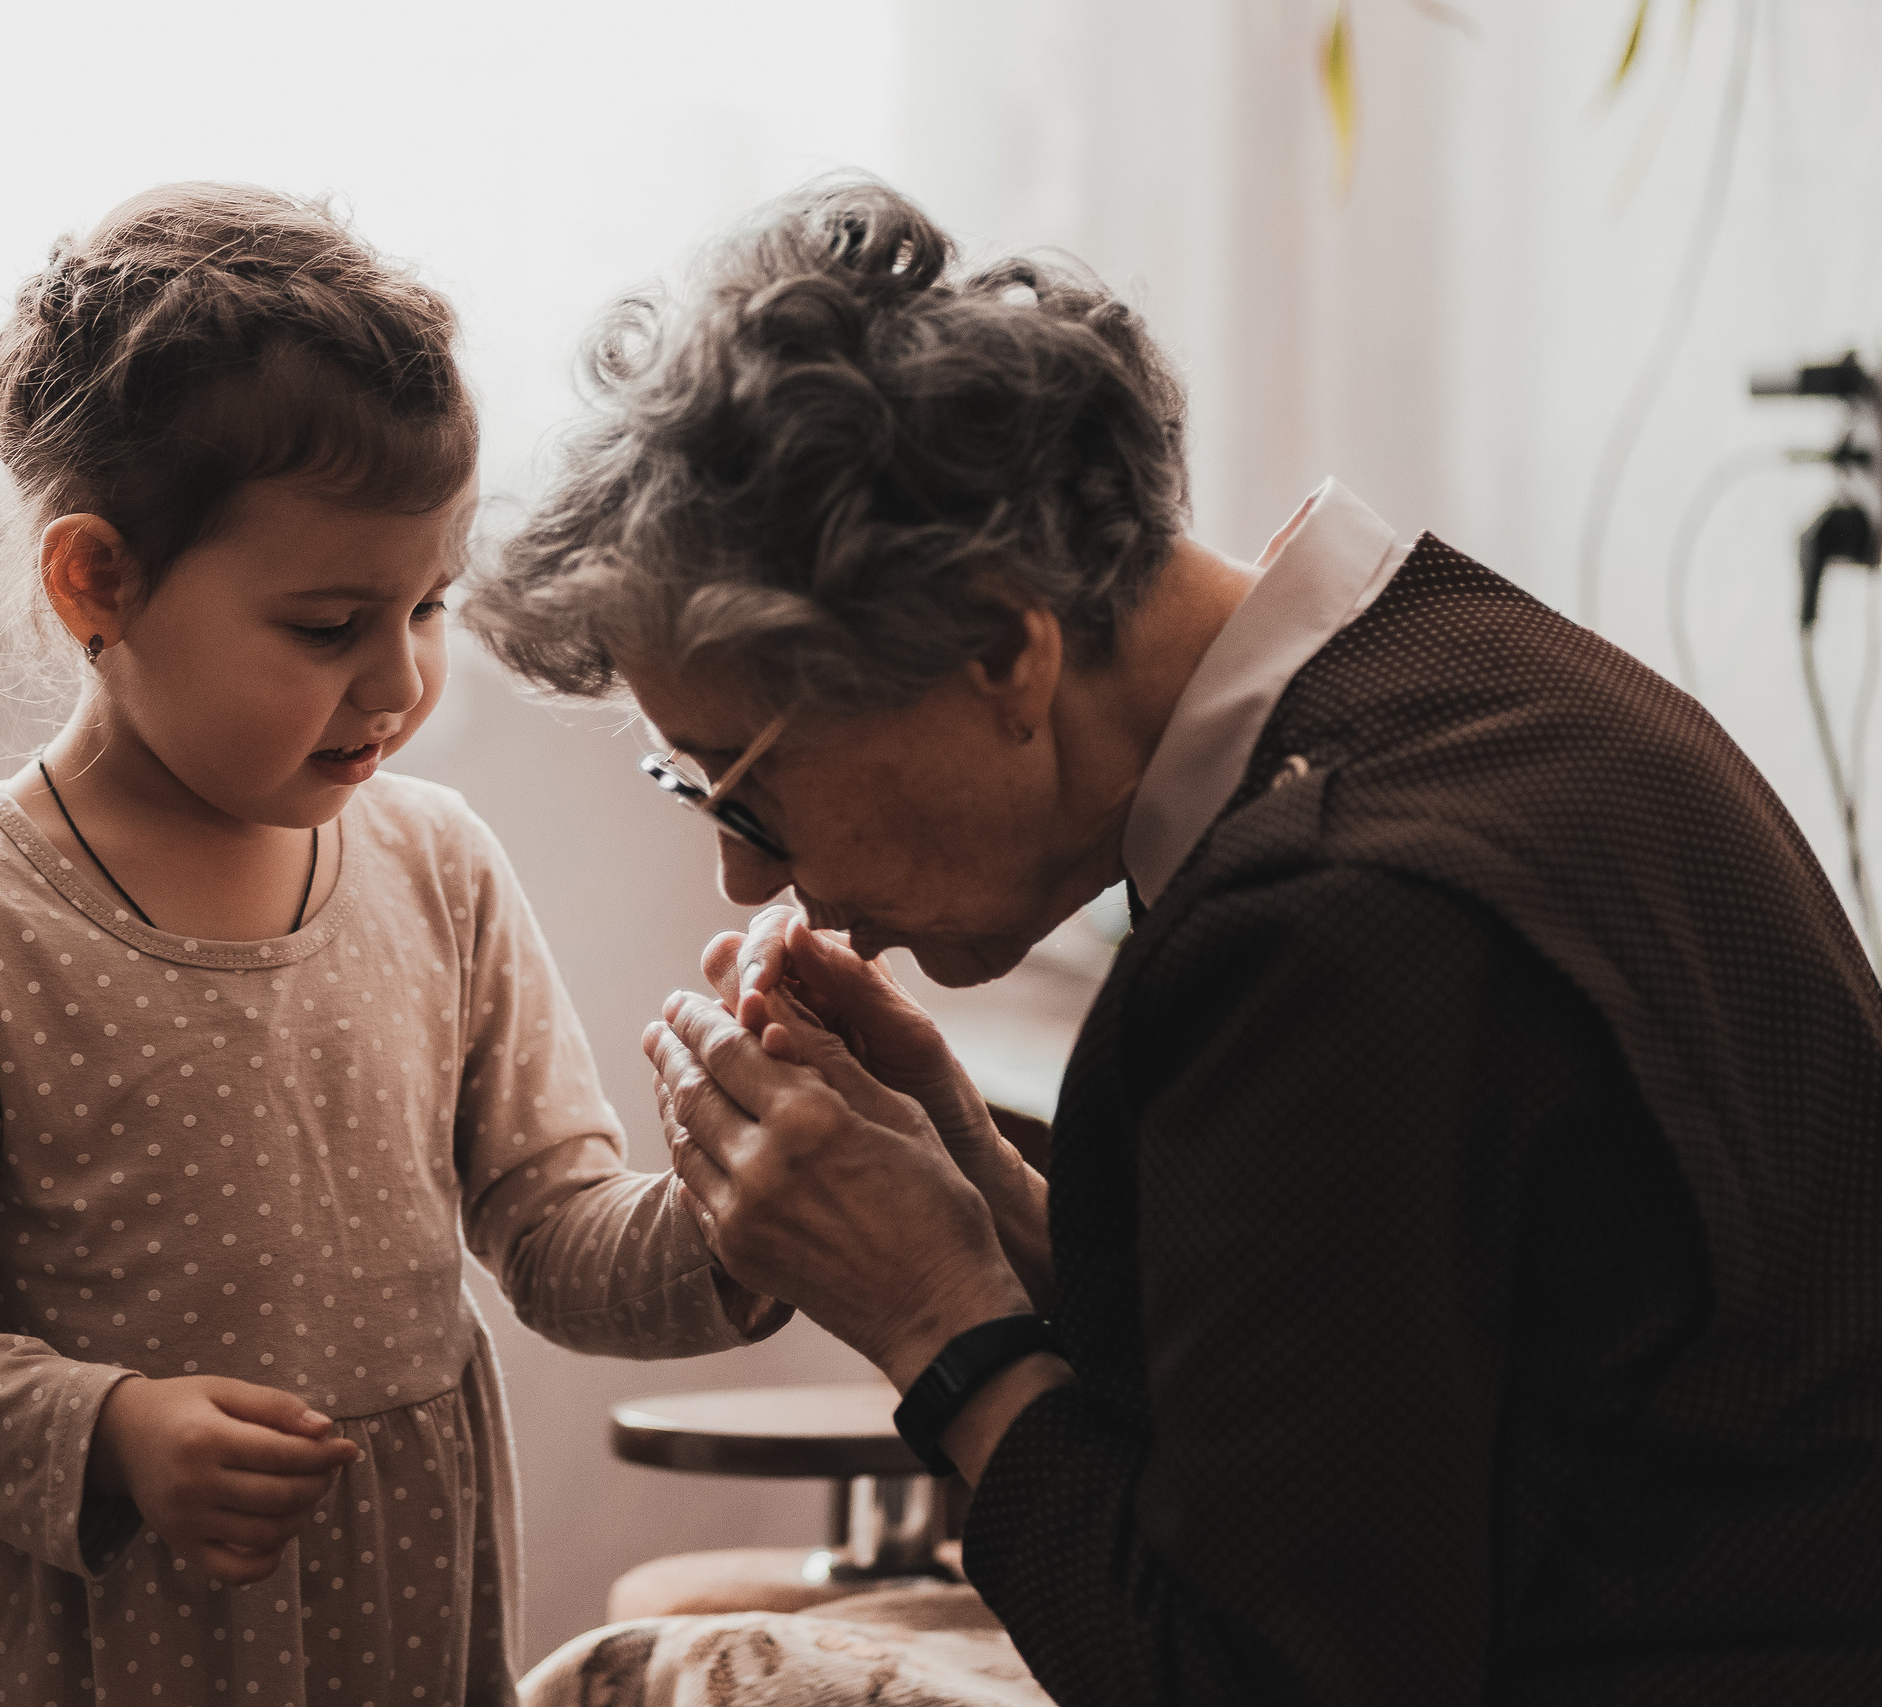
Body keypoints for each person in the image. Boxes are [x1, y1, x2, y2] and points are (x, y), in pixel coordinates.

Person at [464, 178, 1882, 1704]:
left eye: (743, 785)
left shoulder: (1331, 923)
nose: (746, 877)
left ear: (1001, 651)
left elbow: (1233, 1675)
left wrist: (934, 1321)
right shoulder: (1463, 678)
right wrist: (978, 1183)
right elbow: (1327, 1399)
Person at [0, 183, 782, 1707]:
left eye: (427, 607)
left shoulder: (439, 870)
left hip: (381, 1611)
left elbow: (554, 1231)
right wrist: (108, 1431)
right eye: (326, 627)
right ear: (97, 581)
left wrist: (747, 1216)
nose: (399, 682)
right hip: (80, 1640)